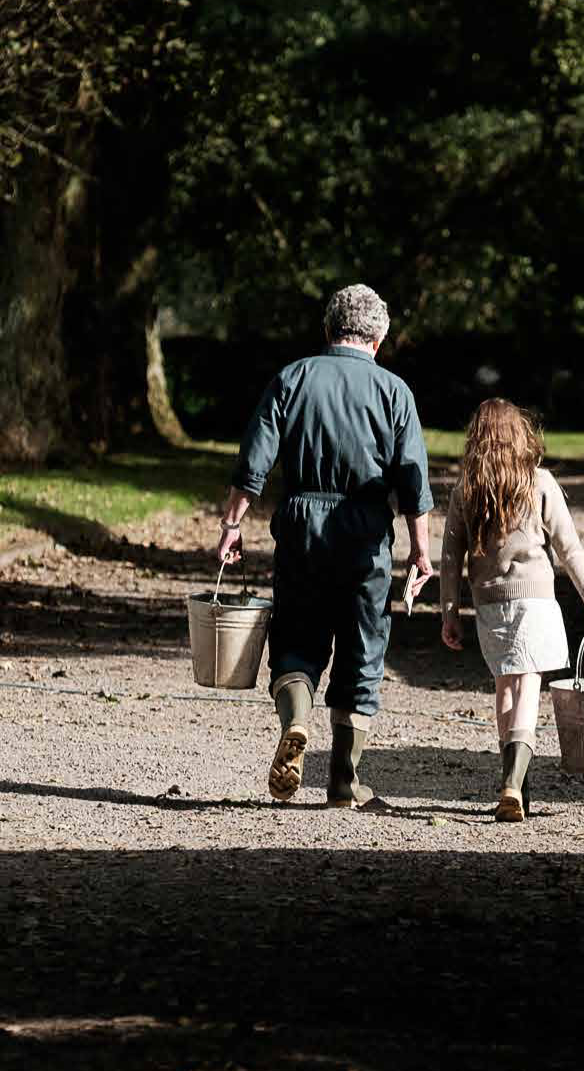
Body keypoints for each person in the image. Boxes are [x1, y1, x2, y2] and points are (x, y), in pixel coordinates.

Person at [217, 285, 434, 809]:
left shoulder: (292, 379)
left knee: (296, 638)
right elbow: (413, 481)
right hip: (364, 534)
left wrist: (231, 524)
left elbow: (255, 460)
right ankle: (342, 781)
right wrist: (420, 551)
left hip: (301, 525)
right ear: (378, 339)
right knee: (363, 652)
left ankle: (295, 720)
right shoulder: (394, 391)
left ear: (328, 329)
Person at [438, 399, 584, 822]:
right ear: (521, 436)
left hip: (490, 603)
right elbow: (569, 548)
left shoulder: (466, 490)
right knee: (529, 686)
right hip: (535, 600)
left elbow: (449, 558)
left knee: (505, 689)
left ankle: (515, 784)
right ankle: (514, 783)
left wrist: (449, 611)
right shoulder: (540, 481)